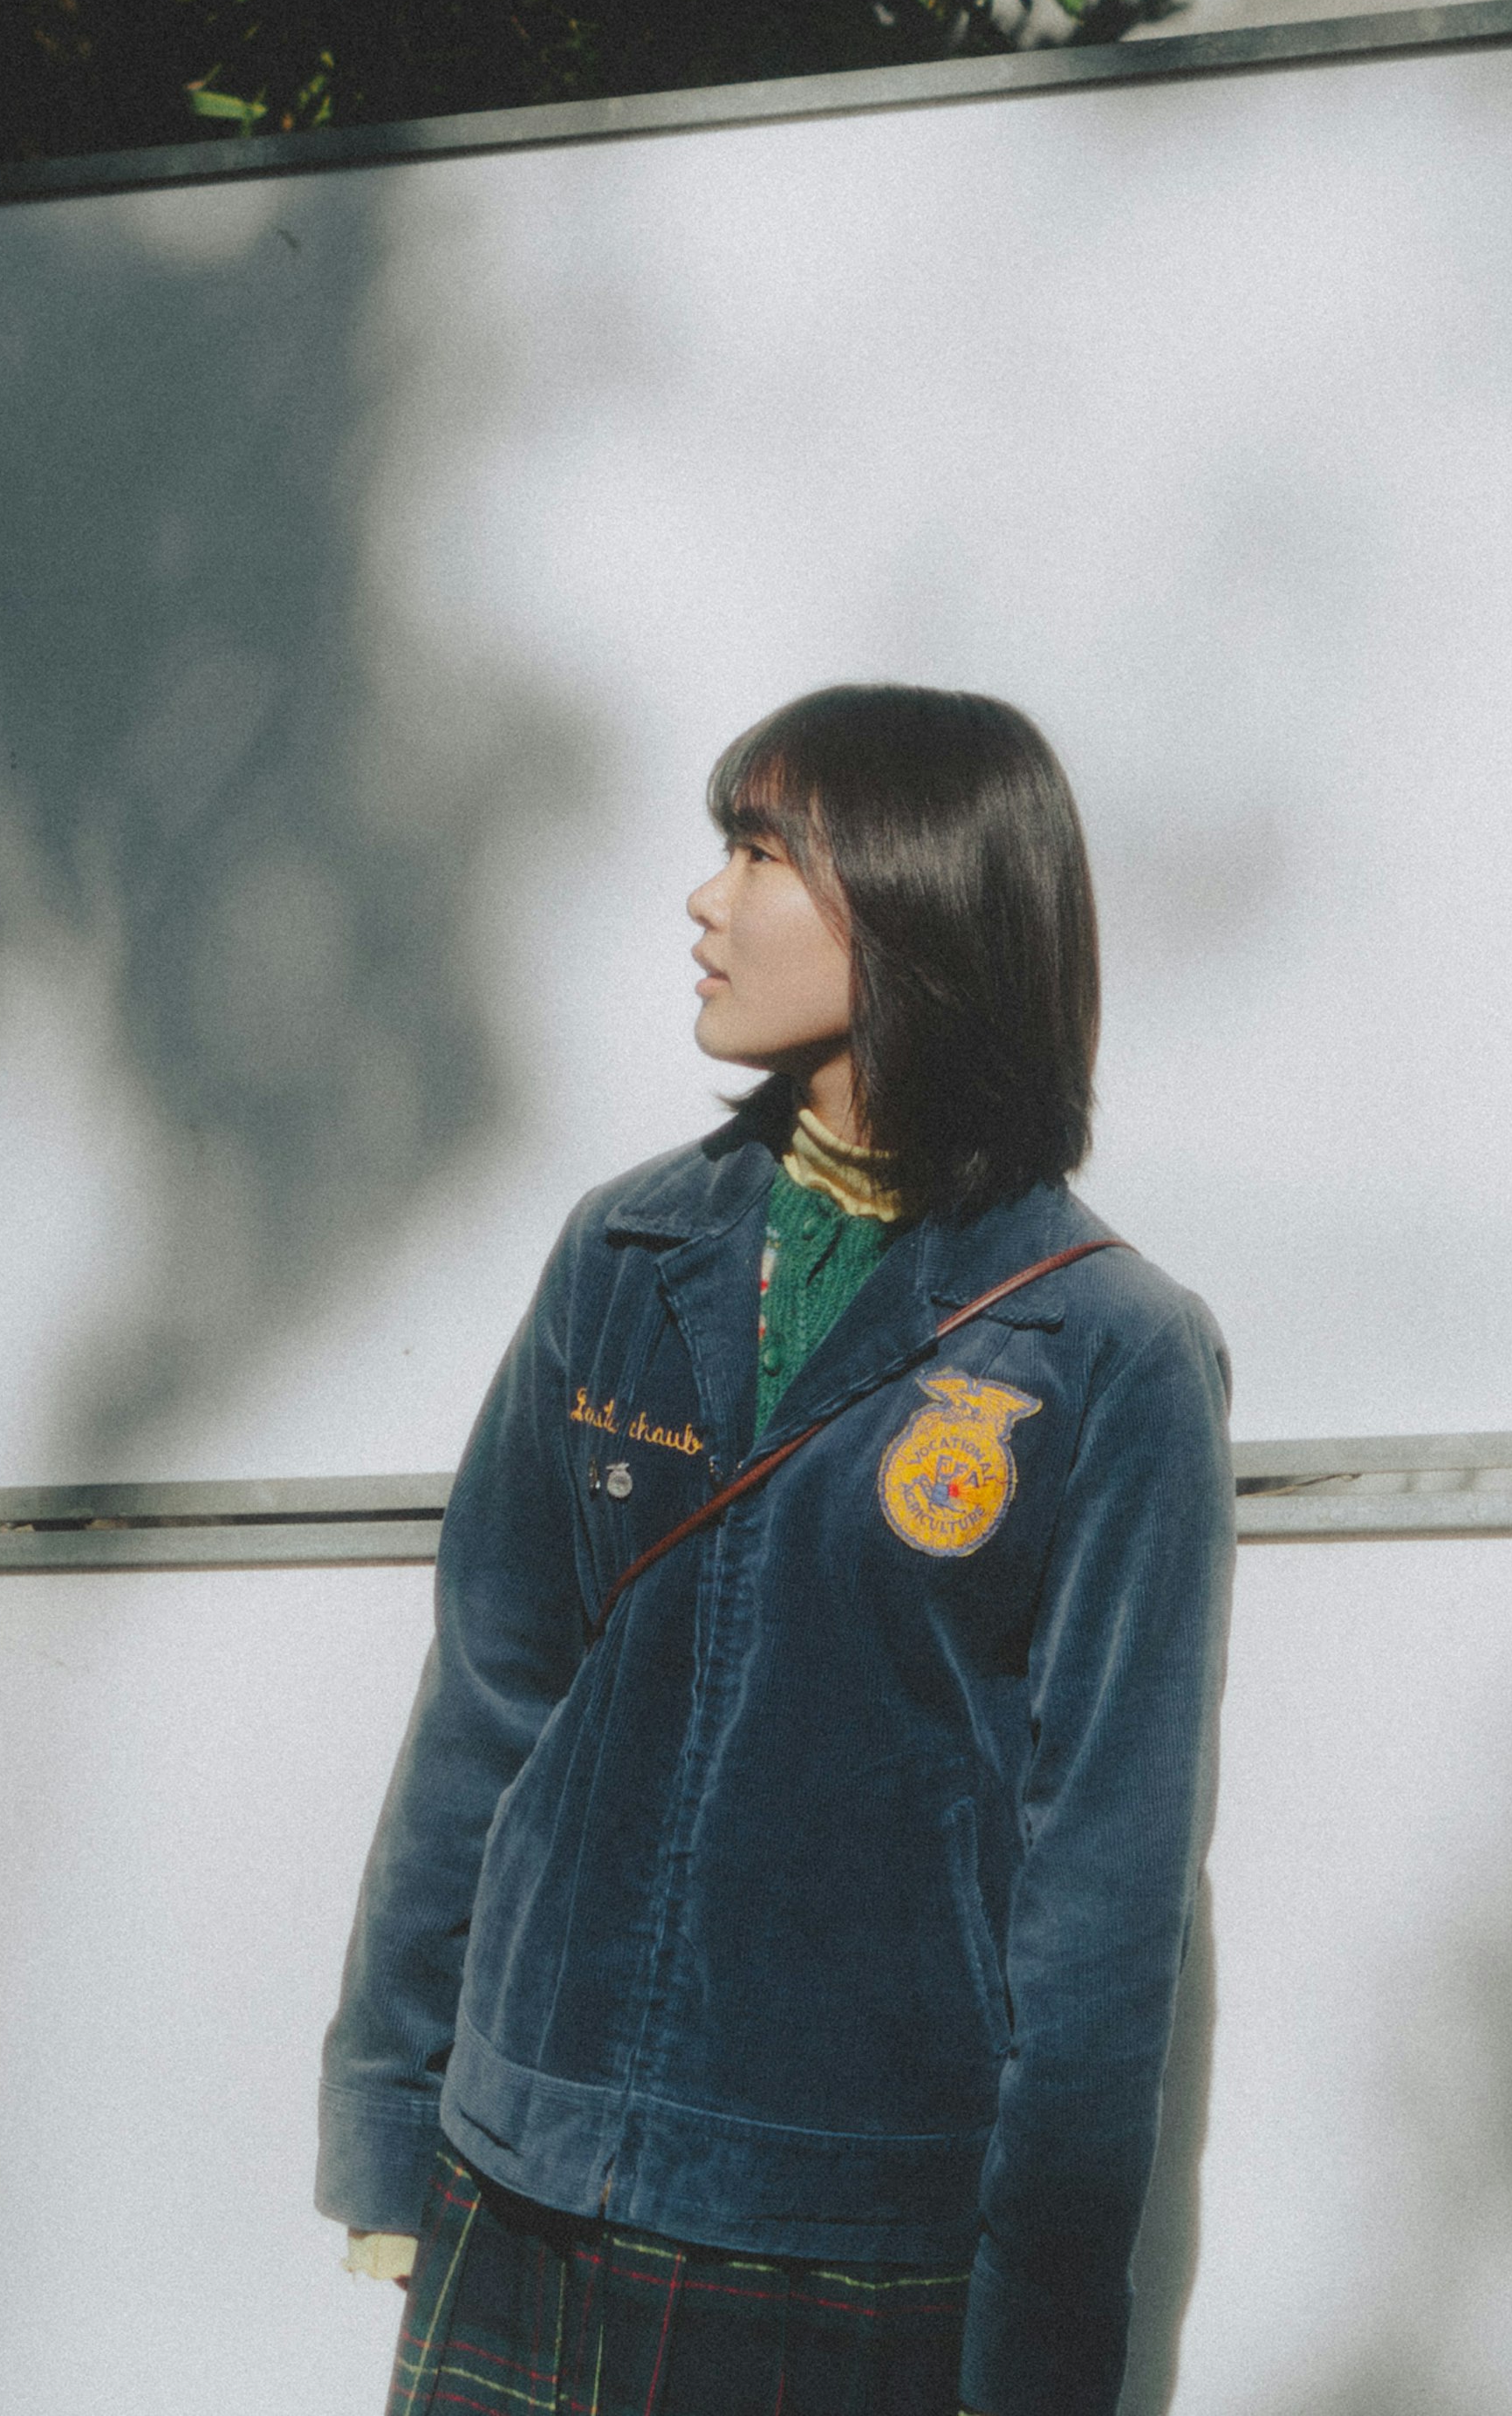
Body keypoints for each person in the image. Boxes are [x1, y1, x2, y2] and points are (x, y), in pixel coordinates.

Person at [317, 681, 1235, 2416]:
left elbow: (1103, 1904)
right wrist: (390, 2104)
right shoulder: (626, 1252)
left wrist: (1042, 2338)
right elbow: (487, 1701)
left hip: (840, 2230)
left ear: (913, 900)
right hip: (532, 2167)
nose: (703, 901)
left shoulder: (1108, 1354)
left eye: (758, 852)